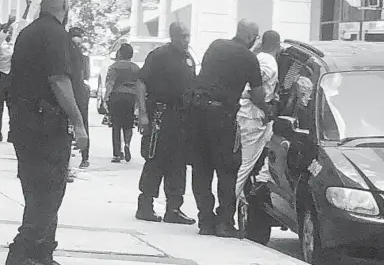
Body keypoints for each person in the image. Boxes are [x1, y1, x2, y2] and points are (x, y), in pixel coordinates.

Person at [4, 0, 88, 265]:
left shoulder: (29, 32)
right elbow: (58, 80)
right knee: (48, 190)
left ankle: (40, 252)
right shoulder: (54, 34)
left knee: (38, 189)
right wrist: (78, 122)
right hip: (44, 125)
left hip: (27, 123)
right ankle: (26, 251)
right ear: (64, 5)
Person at [188, 19, 267, 238]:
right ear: (250, 37)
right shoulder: (249, 58)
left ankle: (205, 221)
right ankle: (224, 222)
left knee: (201, 168)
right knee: (228, 169)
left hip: (198, 112)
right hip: (222, 117)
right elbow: (259, 94)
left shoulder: (216, 46)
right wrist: (268, 110)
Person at [135, 22, 196, 225]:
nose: (186, 41)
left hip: (182, 118)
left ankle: (174, 209)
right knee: (155, 160)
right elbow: (141, 82)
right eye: (183, 36)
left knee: (178, 163)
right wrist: (143, 114)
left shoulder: (188, 58)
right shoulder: (159, 55)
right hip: (160, 115)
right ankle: (145, 205)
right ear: (173, 36)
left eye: (188, 36)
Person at [235, 30, 281, 205]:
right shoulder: (269, 63)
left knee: (262, 153)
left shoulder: (258, 57)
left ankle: (258, 184)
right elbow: (253, 90)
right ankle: (227, 207)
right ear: (278, 45)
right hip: (254, 117)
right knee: (245, 164)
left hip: (248, 115)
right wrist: (266, 109)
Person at [0, 0, 32, 143]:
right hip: (1, 76)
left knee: (14, 107)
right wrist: (8, 23)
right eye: (7, 31)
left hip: (13, 78)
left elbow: (22, 24)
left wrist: (27, 7)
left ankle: (12, 133)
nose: (9, 33)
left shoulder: (14, 42)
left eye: (10, 32)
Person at [104, 43, 139, 163]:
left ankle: (117, 154)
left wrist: (106, 97)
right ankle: (127, 144)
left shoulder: (114, 67)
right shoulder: (135, 68)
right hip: (131, 97)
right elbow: (139, 85)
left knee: (116, 125)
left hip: (117, 96)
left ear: (120, 53)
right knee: (128, 124)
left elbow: (110, 83)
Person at [69, 27, 91, 169]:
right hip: (79, 91)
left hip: (72, 91)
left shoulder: (64, 57)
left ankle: (83, 156)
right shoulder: (84, 58)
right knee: (83, 122)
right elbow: (86, 75)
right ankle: (84, 157)